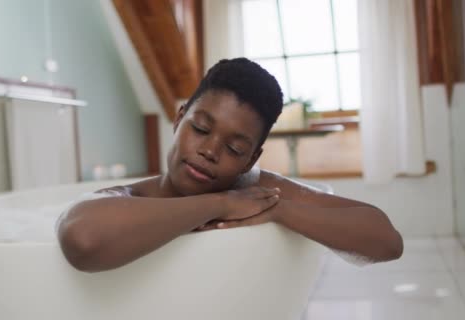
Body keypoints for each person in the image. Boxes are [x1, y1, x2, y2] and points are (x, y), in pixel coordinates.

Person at [56, 57, 403, 272]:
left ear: (252, 158)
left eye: (235, 148)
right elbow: (83, 239)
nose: (209, 151)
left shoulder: (254, 190)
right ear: (179, 120)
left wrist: (277, 212)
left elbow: (386, 240)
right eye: (201, 129)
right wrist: (219, 204)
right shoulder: (128, 197)